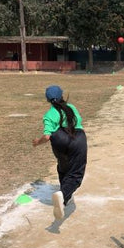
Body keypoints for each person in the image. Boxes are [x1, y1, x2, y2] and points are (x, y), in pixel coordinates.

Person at [32, 85, 87, 220]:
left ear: (48, 99)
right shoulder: (71, 108)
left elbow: (47, 137)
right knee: (76, 173)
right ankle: (63, 195)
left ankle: (64, 198)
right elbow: (77, 122)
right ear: (62, 96)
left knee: (63, 167)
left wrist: (36, 143)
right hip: (77, 138)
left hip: (59, 141)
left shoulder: (49, 114)